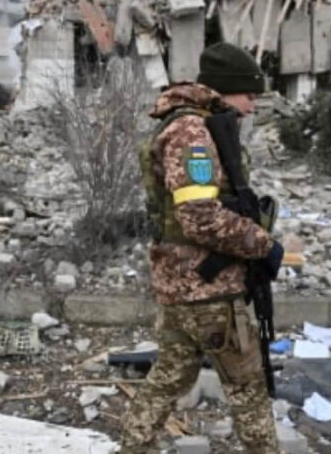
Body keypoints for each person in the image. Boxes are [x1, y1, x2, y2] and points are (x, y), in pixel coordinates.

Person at [122, 42, 285, 454]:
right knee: (249, 389)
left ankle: (132, 447)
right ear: (227, 89)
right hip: (207, 292)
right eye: (248, 95)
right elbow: (198, 216)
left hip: (183, 288)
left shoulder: (196, 125)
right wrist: (263, 245)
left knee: (168, 379)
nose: (251, 107)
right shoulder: (192, 132)